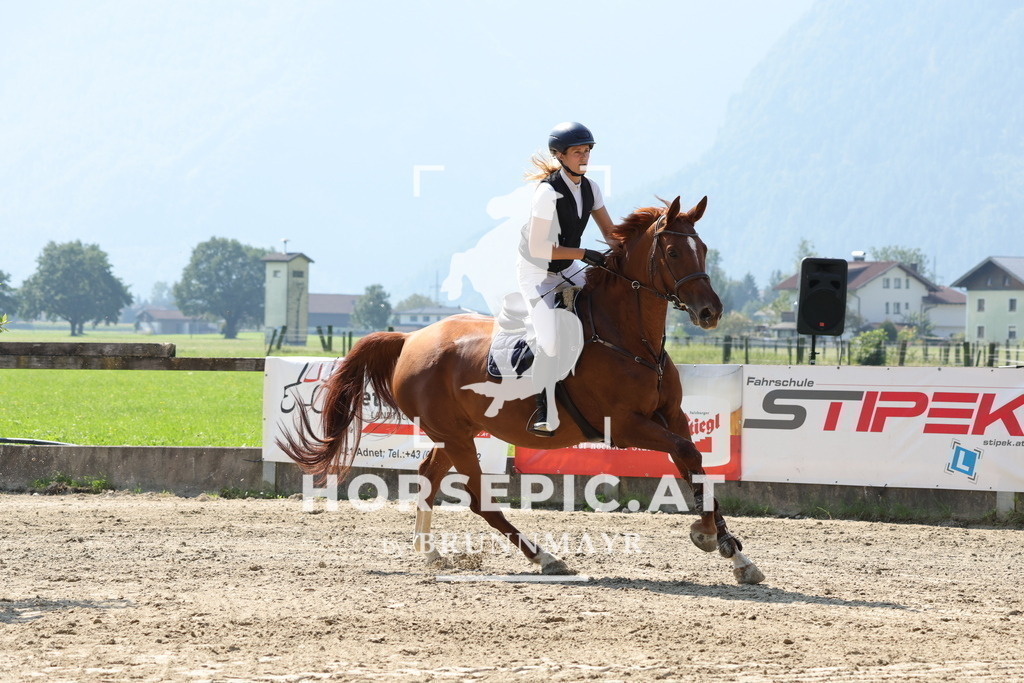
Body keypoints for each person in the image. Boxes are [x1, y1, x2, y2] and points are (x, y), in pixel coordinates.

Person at [517, 122, 615, 435]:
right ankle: (544, 412)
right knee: (549, 338)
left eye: (587, 151)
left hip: (568, 265)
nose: (584, 156)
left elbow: (612, 235)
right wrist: (582, 253)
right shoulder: (546, 193)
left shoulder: (591, 188)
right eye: (577, 152)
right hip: (537, 272)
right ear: (560, 156)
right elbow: (539, 247)